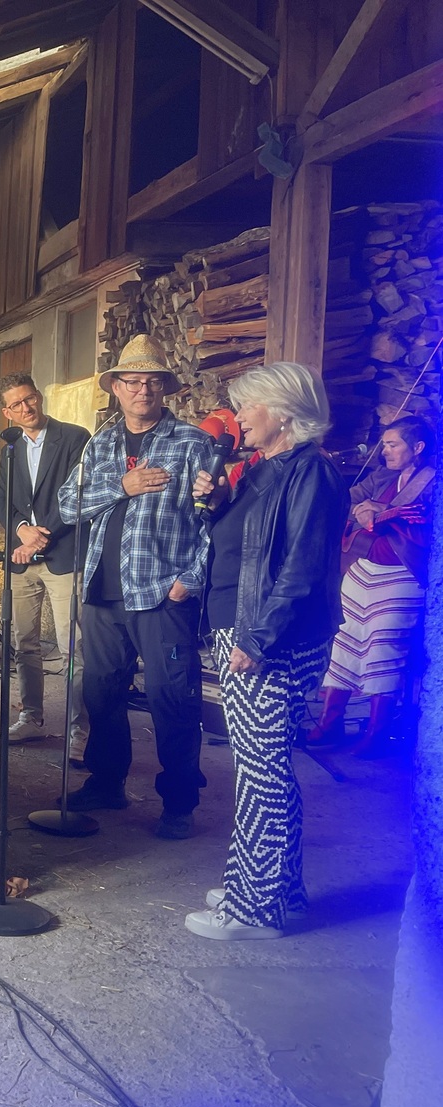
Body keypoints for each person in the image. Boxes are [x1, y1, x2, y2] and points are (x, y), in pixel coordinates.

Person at [182, 363, 347, 940]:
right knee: (266, 768)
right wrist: (215, 501)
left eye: (248, 406)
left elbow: (300, 569)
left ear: (281, 412)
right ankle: (284, 893)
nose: (239, 418)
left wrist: (256, 638)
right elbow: (242, 545)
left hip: (271, 640)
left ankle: (254, 911)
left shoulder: (312, 475)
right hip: (246, 631)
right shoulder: (264, 469)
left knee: (260, 776)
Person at [58, 335, 212, 840]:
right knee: (100, 693)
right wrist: (119, 487)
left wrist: (189, 581)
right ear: (117, 388)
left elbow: (214, 519)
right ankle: (107, 783)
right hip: (103, 591)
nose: (142, 390)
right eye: (132, 381)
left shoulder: (191, 443)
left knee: (173, 698)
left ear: (164, 388)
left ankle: (179, 802)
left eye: (151, 381)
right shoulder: (100, 444)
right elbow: (67, 506)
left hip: (160, 592)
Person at [307, 415, 435, 757]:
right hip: (363, 570)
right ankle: (331, 722)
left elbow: (422, 523)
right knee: (344, 644)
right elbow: (345, 500)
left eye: (393, 445)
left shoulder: (434, 482)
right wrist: (365, 512)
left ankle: (377, 733)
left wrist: (380, 514)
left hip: (402, 577)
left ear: (418, 448)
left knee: (383, 648)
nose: (386, 452)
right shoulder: (384, 476)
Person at [0, 373, 91, 753]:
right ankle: (31, 717)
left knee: (73, 647)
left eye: (30, 399)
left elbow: (76, 497)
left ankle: (78, 730)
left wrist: (38, 537)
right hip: (22, 561)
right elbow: (3, 500)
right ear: (7, 413)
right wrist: (20, 531)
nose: (26, 408)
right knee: (24, 644)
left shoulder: (74, 438)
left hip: (63, 555)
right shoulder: (10, 449)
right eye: (16, 404)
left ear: (40, 396)